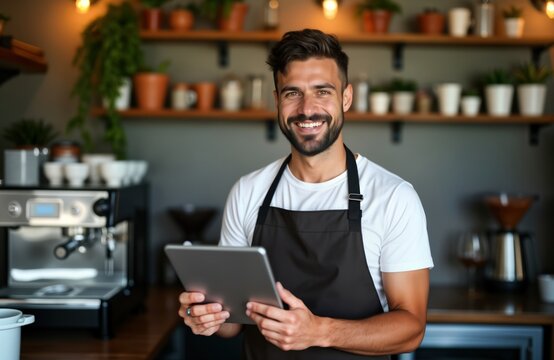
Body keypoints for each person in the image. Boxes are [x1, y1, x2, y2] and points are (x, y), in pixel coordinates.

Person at [178, 28, 434, 359]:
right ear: (277, 101)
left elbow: (411, 328)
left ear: (346, 97)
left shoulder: (393, 197)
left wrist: (319, 331)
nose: (307, 109)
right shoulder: (248, 191)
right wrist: (204, 316)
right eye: (292, 93)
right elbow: (232, 322)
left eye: (322, 91)